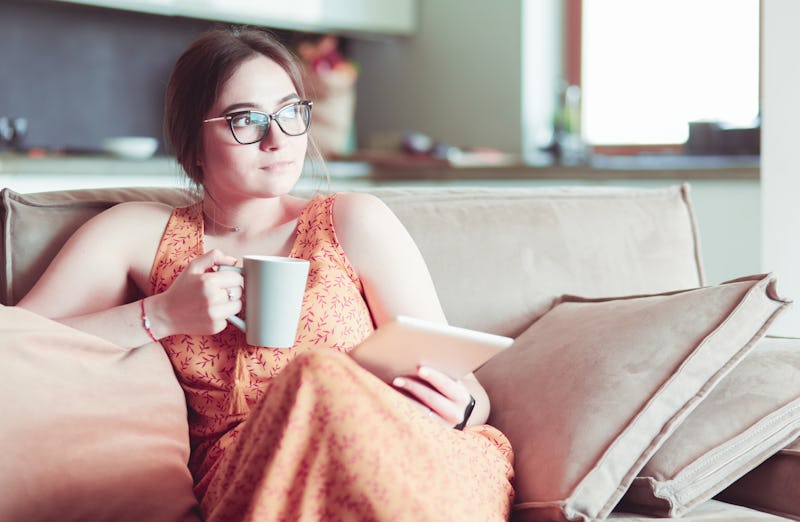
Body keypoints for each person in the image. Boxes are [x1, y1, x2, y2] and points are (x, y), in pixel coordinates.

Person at [18, 28, 514, 521]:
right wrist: (161, 314)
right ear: (192, 142)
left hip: (403, 456)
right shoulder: (138, 234)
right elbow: (19, 343)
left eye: (289, 112)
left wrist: (462, 409)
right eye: (245, 120)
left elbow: (468, 388)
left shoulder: (353, 220)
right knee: (314, 379)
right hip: (259, 480)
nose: (277, 139)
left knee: (323, 380)